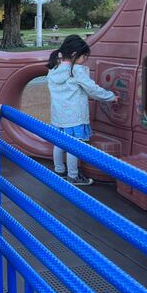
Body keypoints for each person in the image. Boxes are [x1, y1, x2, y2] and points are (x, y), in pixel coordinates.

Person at [46, 35, 118, 186]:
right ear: (74, 55)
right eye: (85, 56)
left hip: (59, 115)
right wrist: (111, 96)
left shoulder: (54, 68)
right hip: (75, 117)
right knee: (74, 146)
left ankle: (59, 171)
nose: (86, 59)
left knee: (59, 143)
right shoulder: (76, 70)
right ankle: (73, 176)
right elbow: (92, 90)